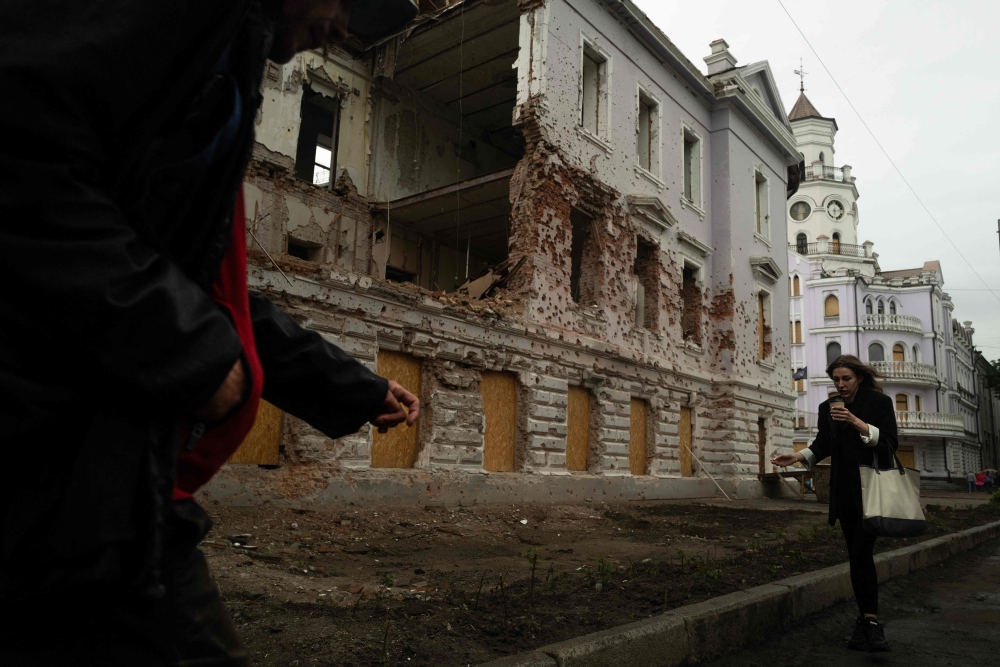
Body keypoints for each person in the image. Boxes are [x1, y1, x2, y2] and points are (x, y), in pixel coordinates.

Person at [0, 1, 419, 665]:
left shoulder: (222, 60)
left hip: (105, 483)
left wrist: (354, 388)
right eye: (349, 0)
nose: (348, 28)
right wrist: (186, 349)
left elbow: (204, 292)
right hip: (50, 471)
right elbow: (22, 163)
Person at [772, 355, 898, 653]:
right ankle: (866, 623)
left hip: (872, 487)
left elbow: (890, 442)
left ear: (860, 379)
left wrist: (857, 422)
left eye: (846, 379)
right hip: (843, 490)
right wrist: (799, 457)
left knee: (862, 551)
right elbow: (824, 444)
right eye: (836, 380)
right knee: (857, 555)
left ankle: (870, 622)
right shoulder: (827, 408)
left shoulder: (879, 404)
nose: (840, 385)